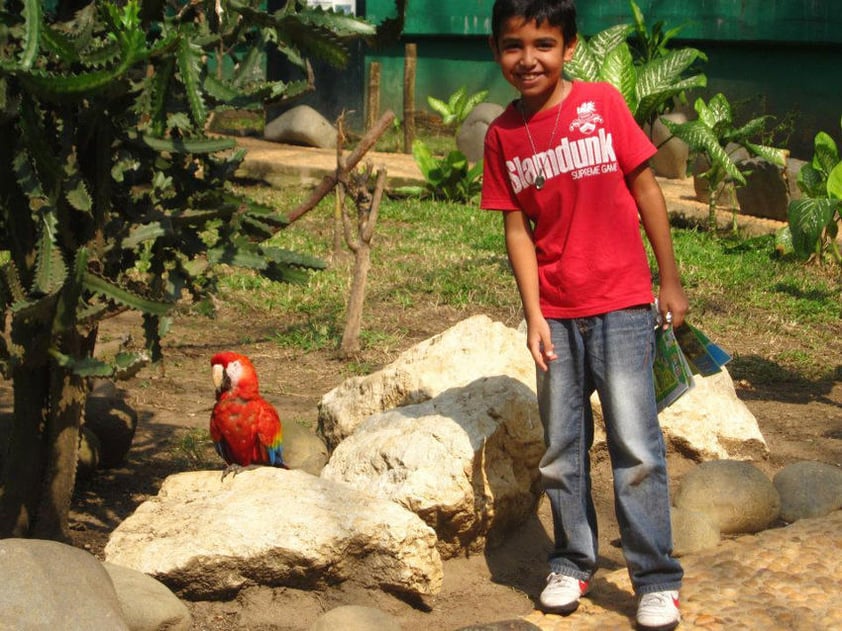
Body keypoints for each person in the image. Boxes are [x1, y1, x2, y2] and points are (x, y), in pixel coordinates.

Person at [481, 1, 687, 629]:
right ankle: (571, 562)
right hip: (558, 316)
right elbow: (517, 229)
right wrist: (533, 314)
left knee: (637, 446)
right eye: (514, 46)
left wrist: (670, 280)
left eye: (543, 44)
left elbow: (646, 188)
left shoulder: (602, 104)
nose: (528, 59)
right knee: (561, 449)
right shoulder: (503, 136)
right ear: (497, 52)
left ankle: (656, 578)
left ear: (569, 47)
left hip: (623, 305)